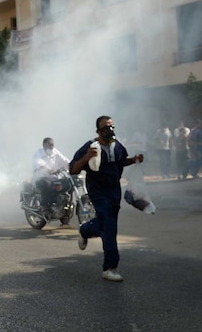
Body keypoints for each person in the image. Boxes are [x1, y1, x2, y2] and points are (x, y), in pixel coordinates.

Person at [70, 116, 143, 282]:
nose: (109, 130)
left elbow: (121, 161)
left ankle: (85, 230)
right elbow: (73, 169)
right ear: (98, 131)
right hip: (98, 192)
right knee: (109, 225)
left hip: (114, 192)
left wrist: (134, 160)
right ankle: (110, 267)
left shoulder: (117, 146)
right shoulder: (90, 147)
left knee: (105, 224)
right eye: (105, 128)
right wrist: (86, 157)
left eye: (111, 126)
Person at [31, 137, 71, 214]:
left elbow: (65, 160)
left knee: (68, 182)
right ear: (43, 145)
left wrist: (73, 166)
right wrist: (48, 170)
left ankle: (63, 206)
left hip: (54, 178)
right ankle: (44, 206)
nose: (51, 147)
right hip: (40, 178)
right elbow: (39, 163)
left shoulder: (55, 152)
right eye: (49, 145)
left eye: (52, 145)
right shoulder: (38, 153)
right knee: (47, 184)